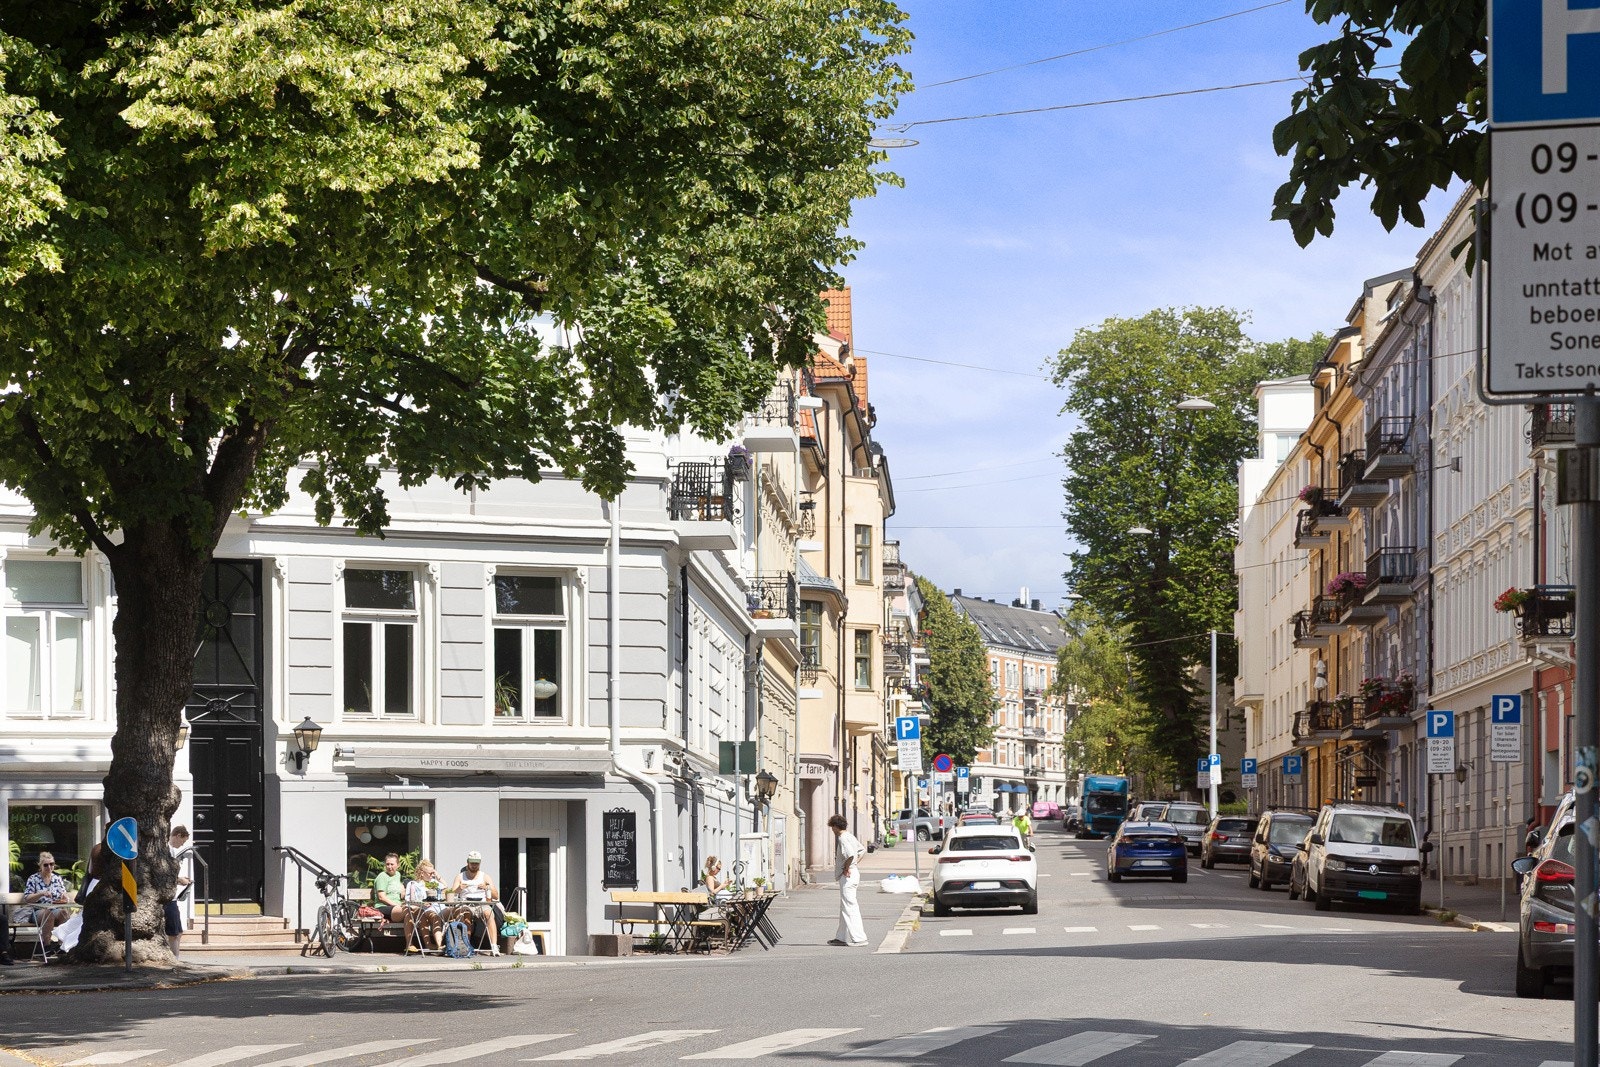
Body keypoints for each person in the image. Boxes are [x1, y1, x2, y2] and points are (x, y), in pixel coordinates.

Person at [826, 813, 868, 947]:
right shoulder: (850, 836)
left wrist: (847, 867)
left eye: (832, 827)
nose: (832, 830)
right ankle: (841, 937)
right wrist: (854, 865)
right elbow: (862, 850)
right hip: (854, 873)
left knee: (850, 906)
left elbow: (849, 854)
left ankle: (859, 938)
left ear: (836, 826)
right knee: (845, 906)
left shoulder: (843, 838)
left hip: (848, 875)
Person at [448, 850, 501, 954]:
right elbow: (451, 893)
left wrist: (487, 887)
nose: (474, 866)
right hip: (465, 903)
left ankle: (494, 946)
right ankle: (466, 945)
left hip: (481, 903)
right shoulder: (460, 876)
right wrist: (459, 888)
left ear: (480, 863)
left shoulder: (485, 876)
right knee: (466, 915)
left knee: (488, 914)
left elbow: (496, 895)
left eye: (476, 863)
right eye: (472, 863)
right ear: (467, 862)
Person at [20, 852, 73, 953]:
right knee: (48, 914)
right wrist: (41, 894)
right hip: (38, 911)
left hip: (55, 909)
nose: (49, 867)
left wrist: (65, 897)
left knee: (64, 913)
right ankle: (47, 946)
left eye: (51, 864)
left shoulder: (57, 879)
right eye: (46, 865)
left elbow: (64, 894)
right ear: (40, 866)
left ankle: (61, 946)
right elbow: (27, 898)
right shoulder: (33, 879)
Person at [402, 858, 446, 952]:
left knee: (436, 916)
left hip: (434, 909)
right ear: (422, 873)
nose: (432, 875)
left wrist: (437, 876)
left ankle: (439, 945)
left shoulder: (433, 883)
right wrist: (421, 903)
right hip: (420, 909)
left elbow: (445, 887)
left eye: (433, 873)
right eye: (430, 873)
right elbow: (408, 900)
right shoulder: (413, 884)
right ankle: (432, 944)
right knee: (431, 916)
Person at [371, 852, 409, 951]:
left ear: (398, 865)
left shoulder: (398, 875)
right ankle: (409, 944)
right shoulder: (382, 876)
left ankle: (411, 945)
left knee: (414, 912)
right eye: (387, 864)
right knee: (408, 911)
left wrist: (403, 890)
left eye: (392, 864)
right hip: (382, 907)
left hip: (397, 907)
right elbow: (381, 897)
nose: (389, 867)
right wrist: (397, 905)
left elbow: (398, 888)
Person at [165, 827, 192, 956]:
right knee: (174, 933)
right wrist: (179, 880)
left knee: (179, 932)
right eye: (182, 841)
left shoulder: (171, 851)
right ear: (178, 835)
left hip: (172, 897)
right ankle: (174, 960)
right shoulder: (166, 850)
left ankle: (176, 957)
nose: (182, 845)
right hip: (168, 899)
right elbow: (163, 876)